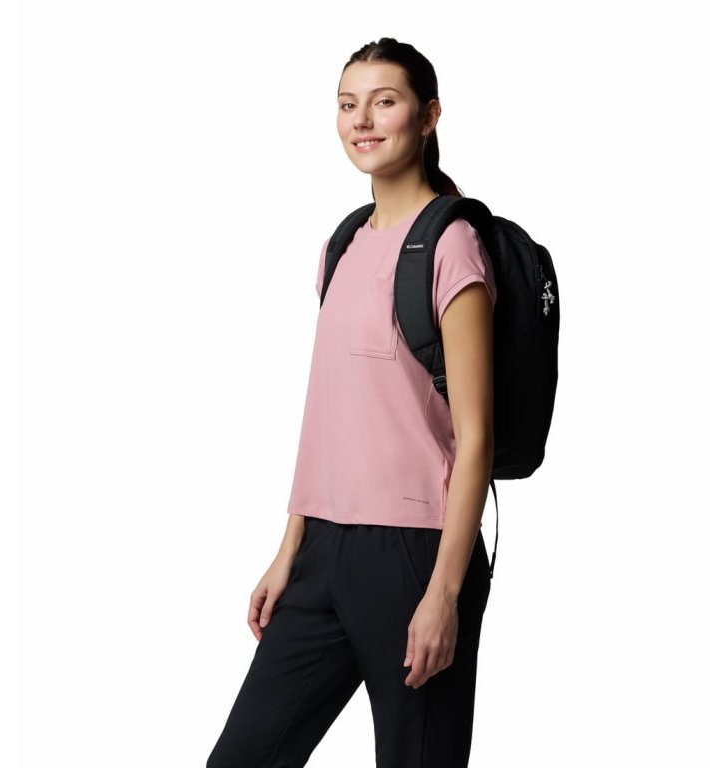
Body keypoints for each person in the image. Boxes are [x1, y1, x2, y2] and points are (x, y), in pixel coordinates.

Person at [207, 37, 497, 768]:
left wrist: (444, 594)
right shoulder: (342, 246)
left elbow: (476, 436)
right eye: (347, 104)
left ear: (428, 116)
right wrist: (290, 550)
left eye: (384, 102)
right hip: (325, 547)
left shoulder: (452, 244)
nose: (361, 121)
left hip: (417, 550)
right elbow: (330, 418)